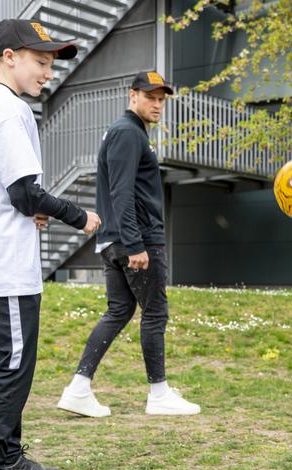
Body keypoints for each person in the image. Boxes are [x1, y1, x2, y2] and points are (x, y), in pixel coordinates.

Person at [0, 19, 101, 470]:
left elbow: (6, 191)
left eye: (52, 64)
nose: (48, 73)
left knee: (15, 363)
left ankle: (6, 456)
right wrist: (79, 215)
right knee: (10, 366)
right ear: (9, 56)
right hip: (1, 263)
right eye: (41, 62)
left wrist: (35, 208)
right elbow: (23, 190)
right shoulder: (4, 108)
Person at [57, 71, 200, 417]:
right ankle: (159, 393)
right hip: (133, 240)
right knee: (155, 313)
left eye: (161, 99)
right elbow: (122, 192)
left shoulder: (129, 132)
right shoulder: (127, 133)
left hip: (116, 238)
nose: (157, 104)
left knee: (120, 310)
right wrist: (137, 244)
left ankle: (78, 388)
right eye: (150, 97)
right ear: (132, 95)